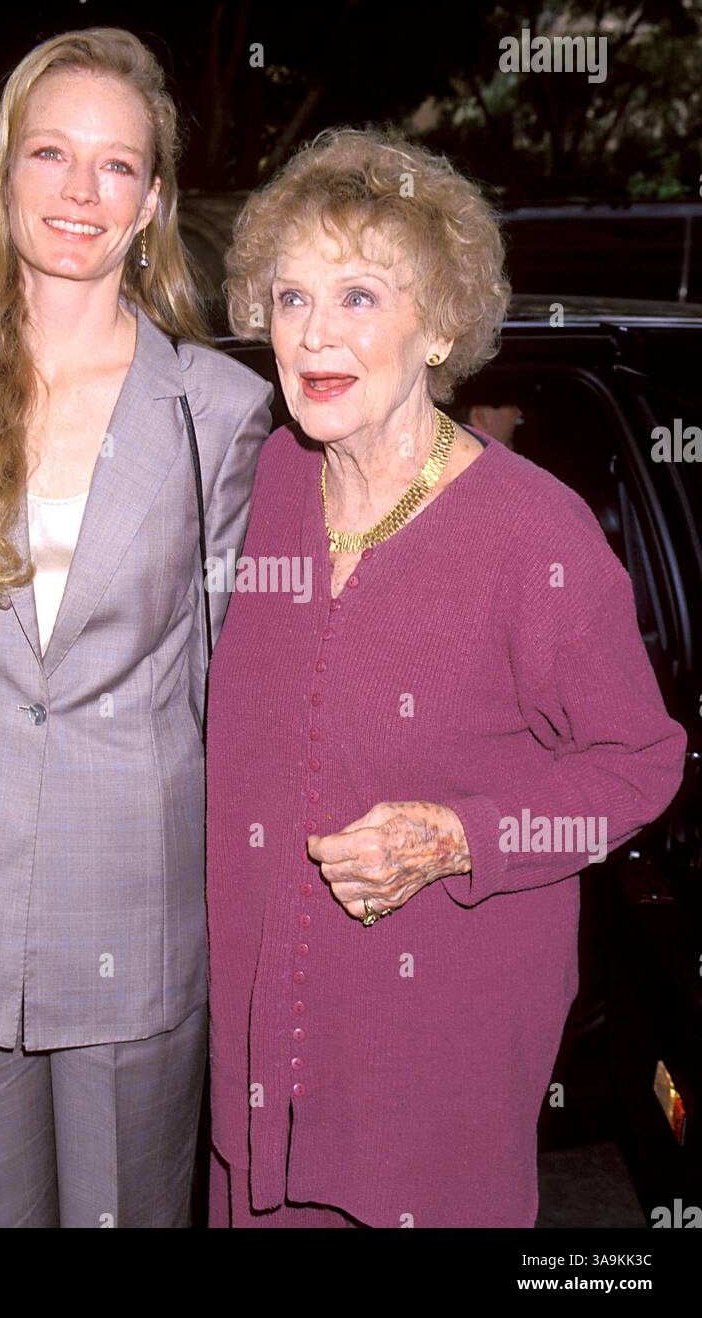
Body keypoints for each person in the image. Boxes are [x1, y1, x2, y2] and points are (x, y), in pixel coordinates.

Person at [0, 26, 273, 1228]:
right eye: (52, 154)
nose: (82, 192)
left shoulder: (219, 412)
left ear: (153, 203)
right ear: (3, 175)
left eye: (117, 166)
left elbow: (233, 691)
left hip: (141, 903)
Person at [205, 126, 686, 1227]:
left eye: (360, 296)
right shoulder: (272, 480)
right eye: (290, 298)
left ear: (439, 327)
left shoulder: (532, 533)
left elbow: (640, 764)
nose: (315, 333)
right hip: (262, 1059)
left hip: (433, 1067)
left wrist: (461, 836)